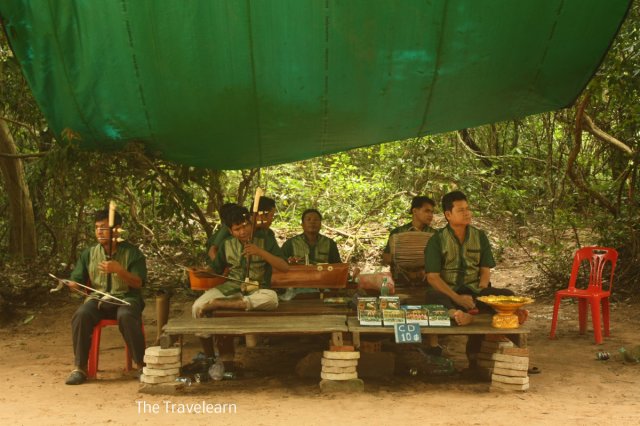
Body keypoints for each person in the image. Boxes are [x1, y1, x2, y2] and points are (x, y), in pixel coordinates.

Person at [424, 190, 527, 367]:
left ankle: (507, 349)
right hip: (450, 293)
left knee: (507, 294)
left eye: (468, 209)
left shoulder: (479, 236)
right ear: (448, 215)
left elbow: (485, 270)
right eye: (461, 210)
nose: (467, 213)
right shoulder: (437, 240)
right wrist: (458, 299)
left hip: (475, 292)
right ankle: (458, 314)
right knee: (432, 296)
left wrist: (481, 294)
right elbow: (432, 278)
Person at [192, 205, 289, 358]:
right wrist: (204, 273)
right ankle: (209, 356)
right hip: (232, 288)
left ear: (251, 223)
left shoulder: (266, 240)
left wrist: (260, 252)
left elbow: (284, 267)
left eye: (246, 226)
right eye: (237, 229)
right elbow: (216, 269)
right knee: (197, 307)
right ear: (231, 231)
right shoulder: (226, 244)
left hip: (258, 288)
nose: (243, 231)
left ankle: (223, 303)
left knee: (272, 299)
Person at [65, 209, 147, 385]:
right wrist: (73, 285)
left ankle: (141, 365)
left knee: (126, 315)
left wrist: (119, 271)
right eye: (97, 228)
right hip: (99, 300)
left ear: (116, 230)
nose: (99, 232)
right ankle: (80, 368)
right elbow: (77, 280)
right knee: (81, 315)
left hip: (127, 298)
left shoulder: (132, 253)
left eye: (103, 227)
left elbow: (138, 283)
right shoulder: (89, 253)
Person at [382, 196, 436, 285]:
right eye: (427, 211)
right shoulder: (397, 233)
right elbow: (386, 257)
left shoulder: (435, 235)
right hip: (400, 282)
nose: (431, 215)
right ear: (415, 211)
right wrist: (404, 260)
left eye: (432, 212)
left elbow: (441, 260)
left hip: (426, 283)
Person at [207, 197, 276, 261]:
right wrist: (222, 270)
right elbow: (212, 251)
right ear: (261, 215)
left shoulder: (266, 232)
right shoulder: (235, 224)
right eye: (271, 215)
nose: (272, 219)